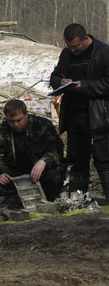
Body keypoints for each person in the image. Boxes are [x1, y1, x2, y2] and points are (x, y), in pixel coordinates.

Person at [50, 23, 109, 201]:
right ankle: (78, 202)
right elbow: (54, 75)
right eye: (69, 46)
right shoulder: (67, 53)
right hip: (74, 117)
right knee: (77, 162)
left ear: (85, 39)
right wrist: (60, 82)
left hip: (99, 117)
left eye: (75, 46)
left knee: (104, 162)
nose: (72, 50)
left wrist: (85, 86)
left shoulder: (103, 53)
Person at [0, 99, 64, 204]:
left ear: (26, 114)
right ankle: (12, 197)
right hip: (14, 173)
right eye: (11, 121)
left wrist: (43, 162)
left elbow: (57, 148)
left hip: (41, 171)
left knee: (55, 165)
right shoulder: (0, 131)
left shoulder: (42, 125)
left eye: (19, 120)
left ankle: (50, 194)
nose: (16, 125)